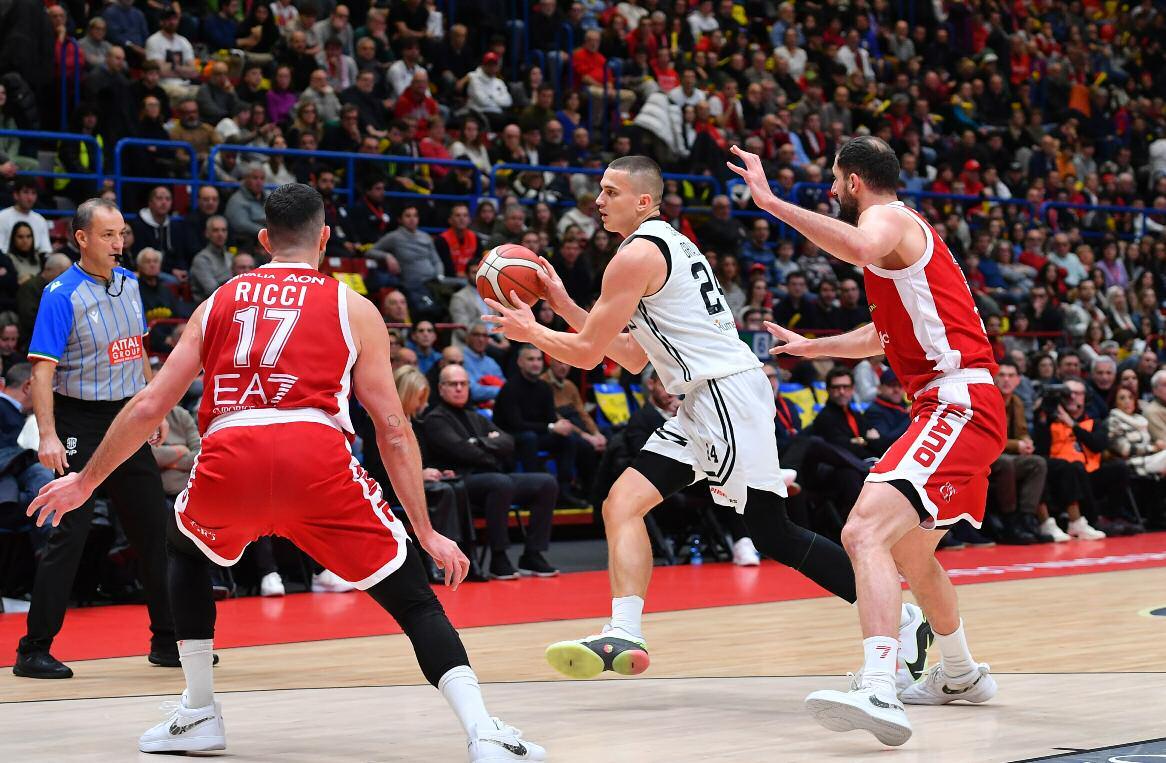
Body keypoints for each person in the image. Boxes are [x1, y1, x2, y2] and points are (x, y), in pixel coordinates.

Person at [27, 184, 544, 761]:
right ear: (325, 238)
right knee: (414, 600)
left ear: (264, 239)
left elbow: (149, 404)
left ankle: (198, 711)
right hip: (314, 455)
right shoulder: (354, 307)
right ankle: (483, 731)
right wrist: (425, 532)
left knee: (184, 547)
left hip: (230, 454)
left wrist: (85, 482)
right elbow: (394, 428)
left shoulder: (217, 301)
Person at [483, 156, 929, 684]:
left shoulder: (636, 255)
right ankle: (623, 631)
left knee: (772, 532)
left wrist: (531, 332)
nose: (598, 200)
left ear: (643, 201)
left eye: (610, 191)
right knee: (622, 503)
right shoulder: (666, 245)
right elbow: (632, 355)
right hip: (702, 398)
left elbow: (585, 354)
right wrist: (558, 302)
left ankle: (903, 622)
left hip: (724, 396)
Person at [729, 137, 1004, 746]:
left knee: (862, 533)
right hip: (959, 404)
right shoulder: (900, 252)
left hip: (956, 402)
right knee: (911, 554)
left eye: (834, 181)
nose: (831, 191)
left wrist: (770, 202)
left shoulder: (889, 220)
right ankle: (961, 673)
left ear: (853, 181)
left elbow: (856, 245)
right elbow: (883, 336)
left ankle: (880, 684)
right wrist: (816, 347)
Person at [14, 199, 174, 679]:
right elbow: (42, 372)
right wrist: (48, 434)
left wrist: (152, 404)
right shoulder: (60, 294)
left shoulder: (130, 284)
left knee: (153, 530)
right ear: (81, 238)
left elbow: (138, 349)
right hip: (79, 421)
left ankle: (167, 641)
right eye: (108, 235)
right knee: (70, 532)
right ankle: (32, 650)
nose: (118, 244)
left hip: (126, 416)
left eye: (121, 234)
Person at [422, 364, 560, 579]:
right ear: (441, 388)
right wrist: (491, 448)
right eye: (453, 384)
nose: (459, 388)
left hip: (492, 477)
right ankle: (499, 556)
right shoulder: (435, 419)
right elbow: (461, 451)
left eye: (463, 384)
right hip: (461, 481)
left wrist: (477, 442)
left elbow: (508, 441)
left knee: (546, 482)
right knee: (499, 483)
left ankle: (532, 554)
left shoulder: (475, 416)